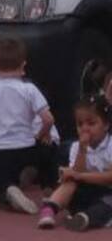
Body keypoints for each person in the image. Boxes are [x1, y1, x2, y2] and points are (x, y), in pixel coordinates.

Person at [0, 37, 57, 214]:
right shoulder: (29, 89)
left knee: (1, 187)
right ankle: (49, 189)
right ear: (23, 65)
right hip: (27, 146)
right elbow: (48, 119)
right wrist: (40, 135)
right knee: (49, 150)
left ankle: (8, 189)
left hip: (0, 149)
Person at [38, 95, 112, 230]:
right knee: (70, 181)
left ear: (106, 125)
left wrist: (80, 176)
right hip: (84, 193)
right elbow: (78, 172)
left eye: (91, 123)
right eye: (80, 124)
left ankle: (85, 218)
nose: (85, 128)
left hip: (106, 193)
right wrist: (82, 150)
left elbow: (109, 178)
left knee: (108, 204)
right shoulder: (77, 147)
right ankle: (49, 209)